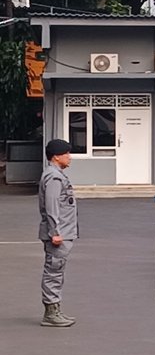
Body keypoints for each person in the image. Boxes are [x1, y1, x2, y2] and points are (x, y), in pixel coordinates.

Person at [38, 139, 78, 327]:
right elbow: (52, 206)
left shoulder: (57, 175)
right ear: (56, 156)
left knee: (57, 271)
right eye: (66, 153)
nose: (70, 157)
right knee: (53, 271)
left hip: (64, 232)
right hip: (58, 234)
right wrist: (55, 232)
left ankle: (56, 310)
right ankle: (51, 313)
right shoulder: (54, 178)